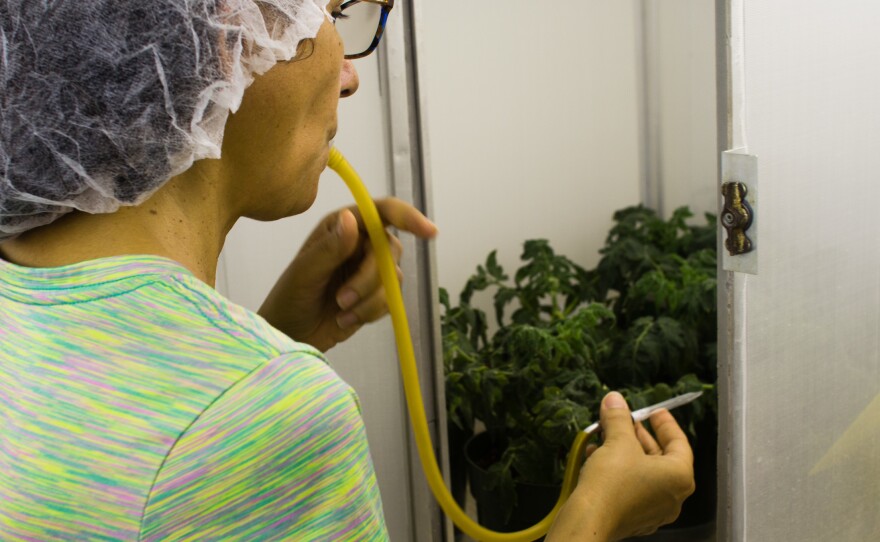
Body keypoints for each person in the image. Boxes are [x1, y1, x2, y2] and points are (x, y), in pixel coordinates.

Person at [0, 1, 694, 540]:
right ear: (227, 35)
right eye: (331, 14)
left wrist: (270, 337)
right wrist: (596, 519)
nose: (353, 74)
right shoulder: (267, 417)